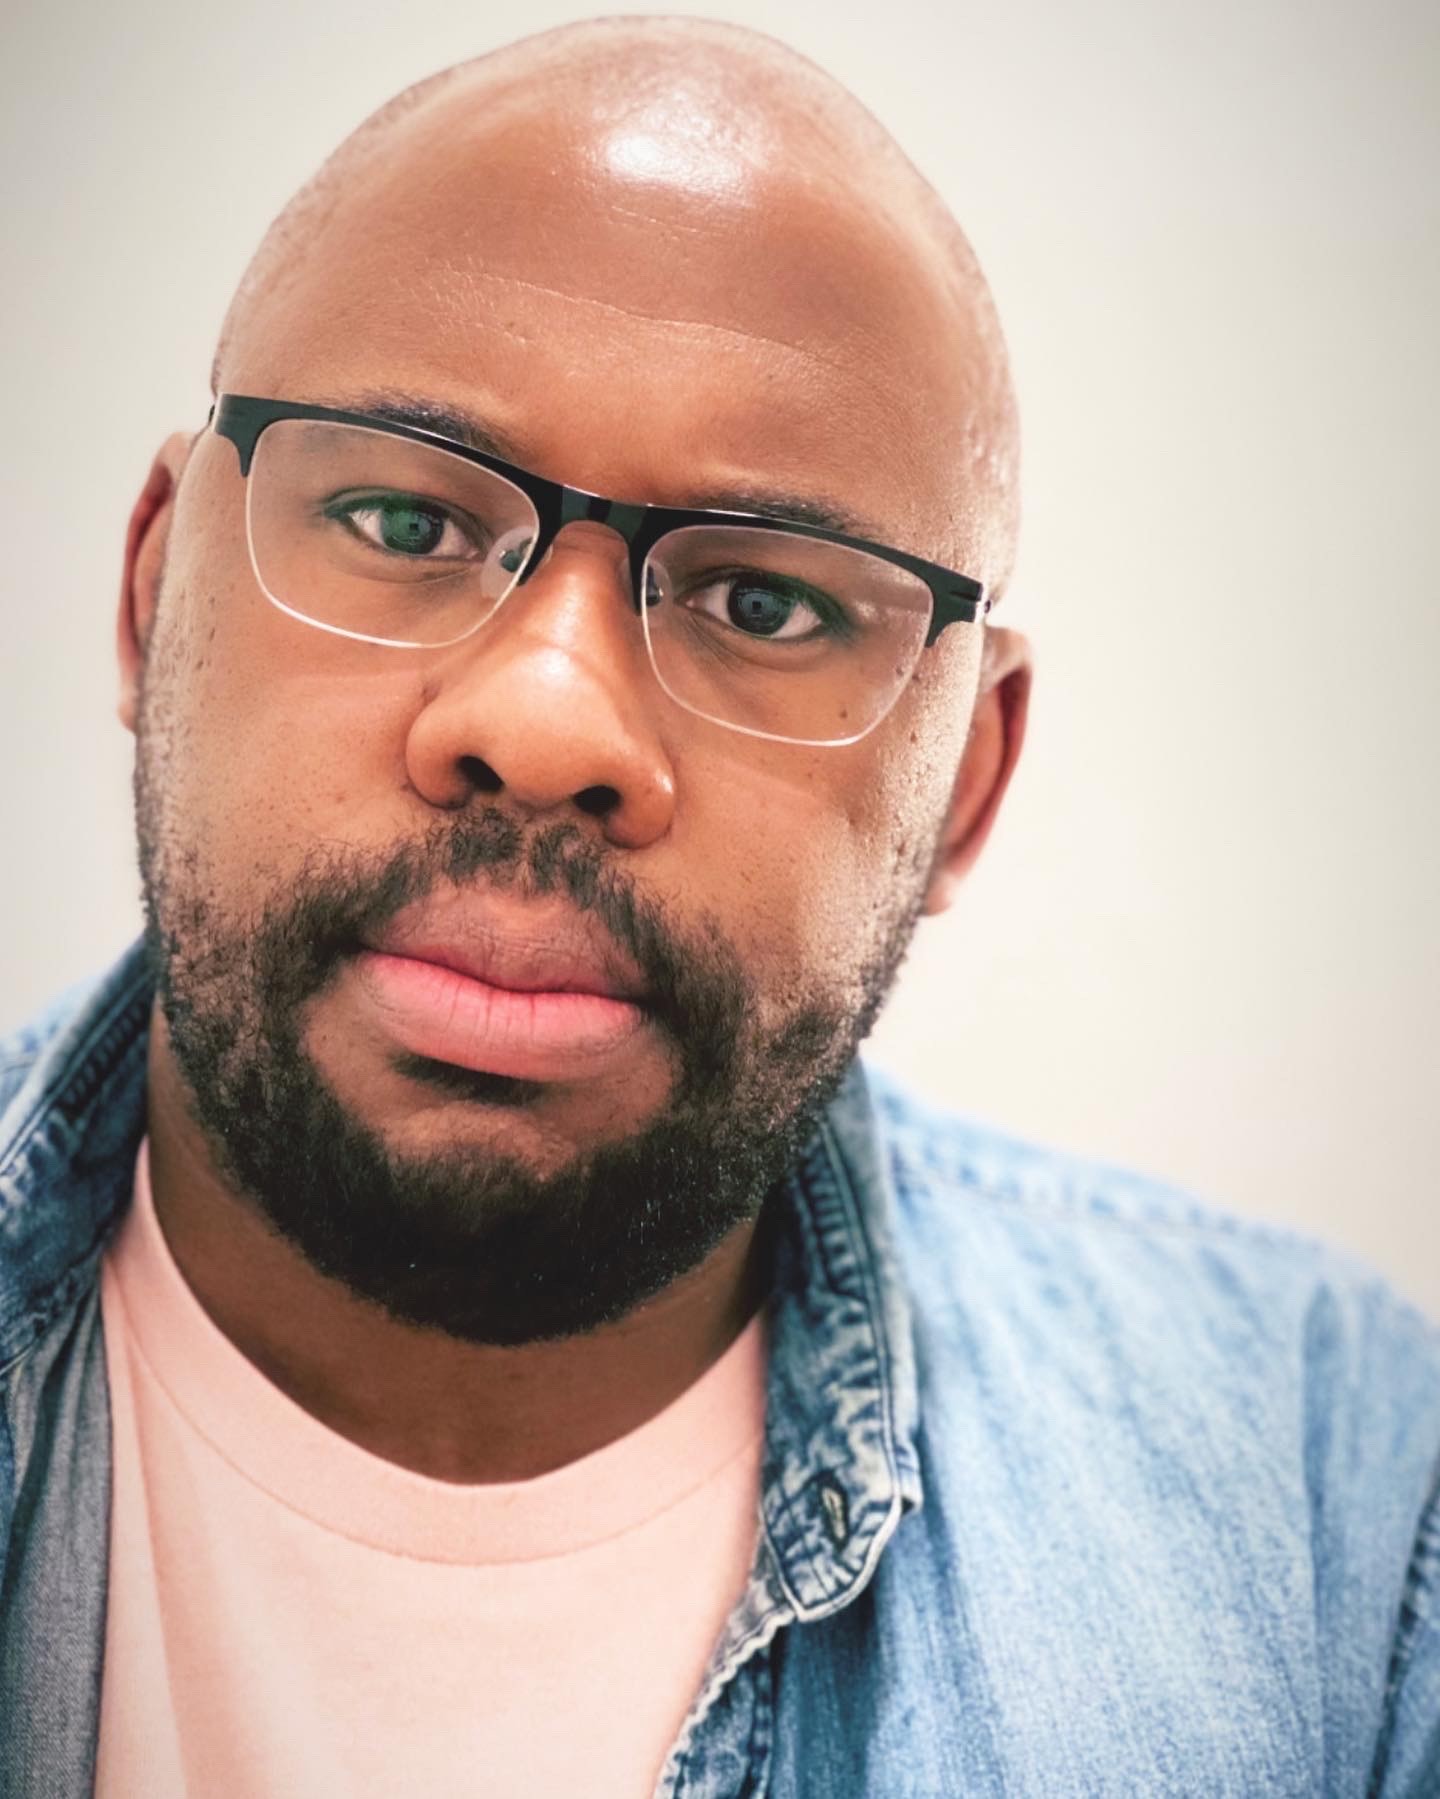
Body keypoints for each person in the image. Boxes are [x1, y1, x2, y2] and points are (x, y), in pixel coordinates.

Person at [0, 16, 1434, 1797]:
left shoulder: (1341, 1515)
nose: (547, 726)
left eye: (765, 605)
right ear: (154, 600)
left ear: (965, 784)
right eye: (399, 518)